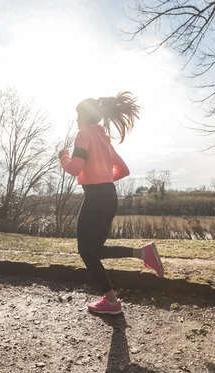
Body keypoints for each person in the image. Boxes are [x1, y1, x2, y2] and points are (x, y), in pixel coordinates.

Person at [59, 92, 163, 315]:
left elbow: (75, 168)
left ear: (85, 116)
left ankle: (112, 302)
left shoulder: (84, 134)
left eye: (78, 116)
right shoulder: (104, 140)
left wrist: (63, 158)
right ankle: (142, 254)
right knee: (94, 250)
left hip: (96, 197)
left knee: (86, 251)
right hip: (109, 197)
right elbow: (123, 170)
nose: (76, 121)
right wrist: (104, 178)